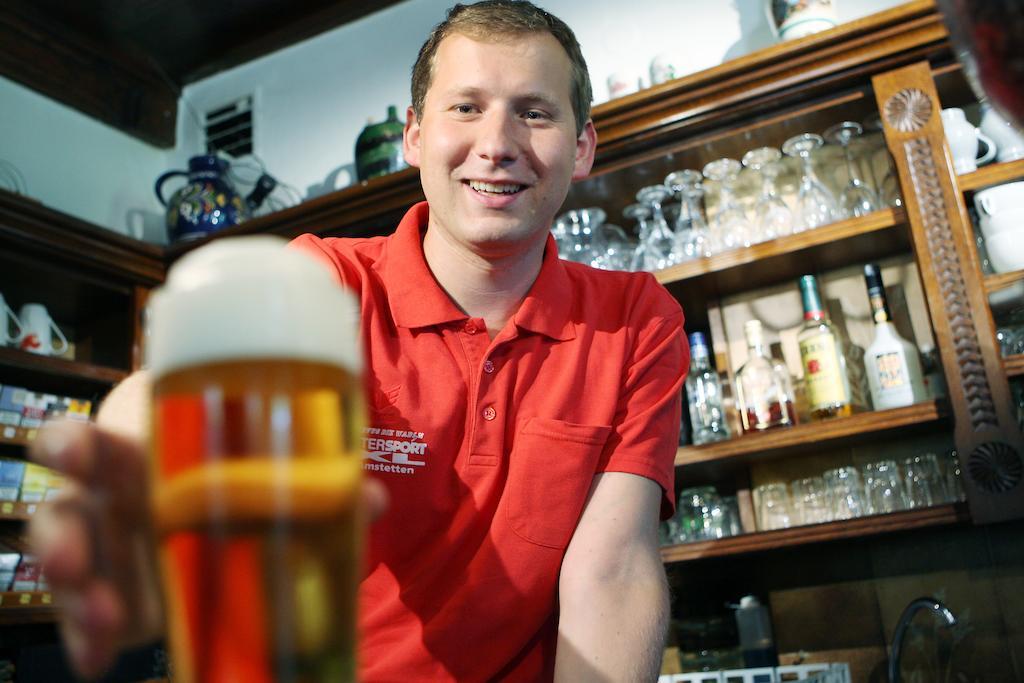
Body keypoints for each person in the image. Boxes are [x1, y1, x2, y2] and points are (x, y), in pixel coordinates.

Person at [29, 1, 688, 680]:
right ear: (413, 136)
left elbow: (612, 568)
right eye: (465, 107)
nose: (497, 142)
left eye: (535, 111)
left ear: (581, 148)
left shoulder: (636, 321)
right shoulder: (329, 282)